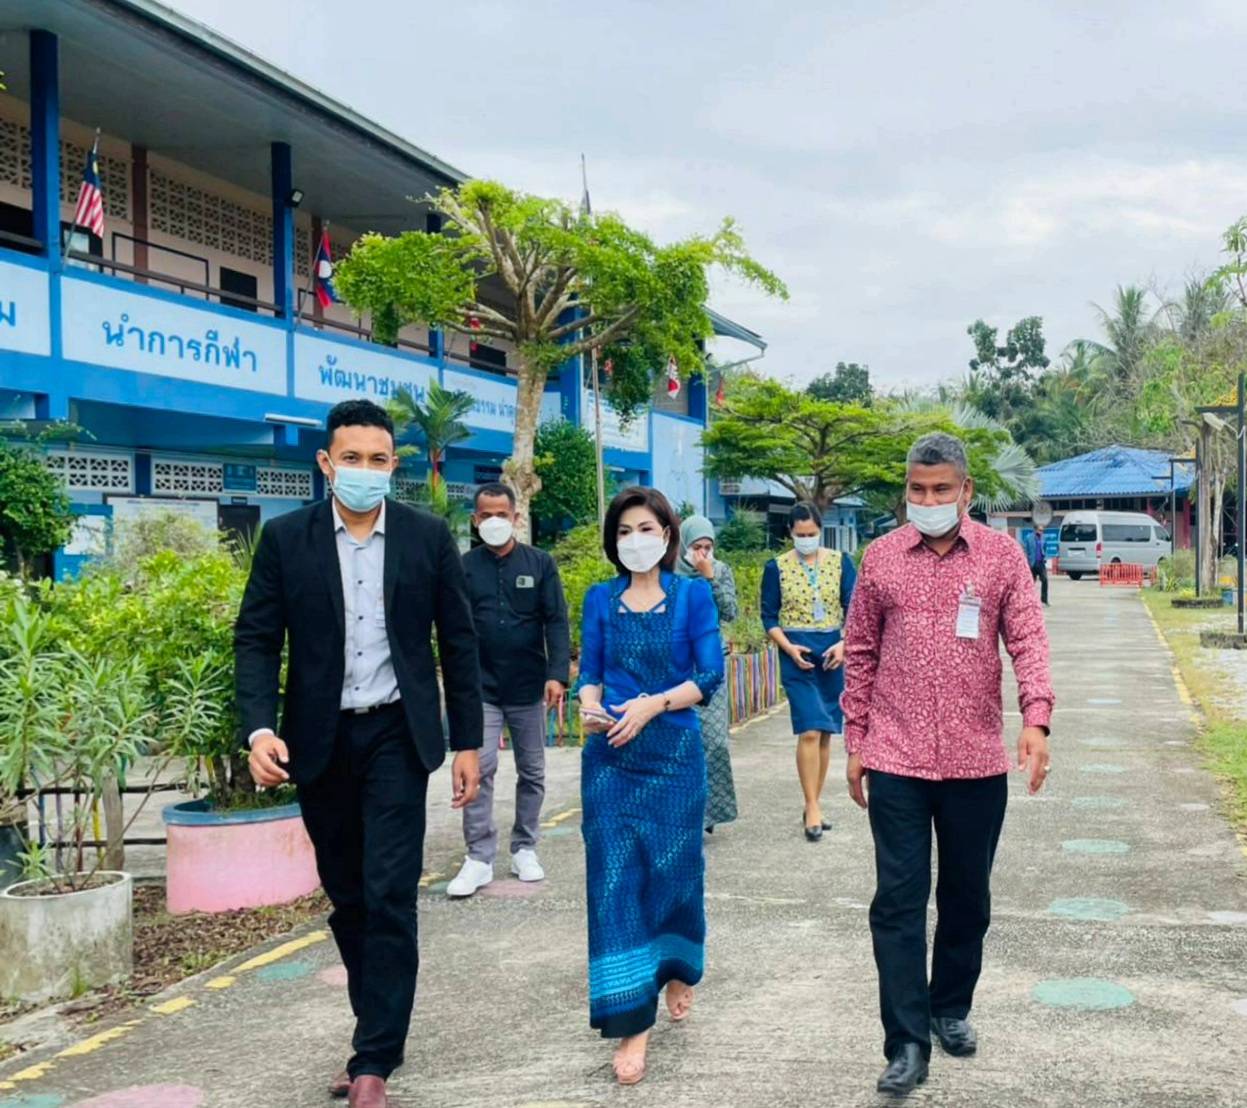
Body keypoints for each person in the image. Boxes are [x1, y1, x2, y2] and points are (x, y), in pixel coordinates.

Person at [235, 399, 483, 1108]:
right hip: (319, 740)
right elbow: (257, 639)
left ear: (393, 465)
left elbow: (457, 642)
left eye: (378, 459)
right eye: (352, 458)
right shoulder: (286, 540)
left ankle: (375, 1058)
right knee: (347, 896)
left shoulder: (425, 537)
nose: (364, 470)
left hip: (397, 735)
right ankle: (371, 1029)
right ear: (326, 463)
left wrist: (469, 741)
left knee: (389, 892)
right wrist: (258, 730)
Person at [842, 432, 1054, 1099]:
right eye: (917, 489)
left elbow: (1027, 639)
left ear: (965, 491)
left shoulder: (1001, 557)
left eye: (940, 490)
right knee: (897, 902)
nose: (928, 500)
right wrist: (855, 740)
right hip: (896, 756)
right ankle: (906, 1042)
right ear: (905, 489)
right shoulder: (880, 559)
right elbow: (859, 651)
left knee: (966, 899)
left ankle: (948, 1007)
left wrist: (1036, 719)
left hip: (975, 759)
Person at [576, 486, 724, 1086]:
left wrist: (653, 704)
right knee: (613, 882)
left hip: (674, 759)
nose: (634, 540)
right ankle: (632, 1022)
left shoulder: (692, 596)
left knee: (673, 873)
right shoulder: (599, 598)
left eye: (645, 529)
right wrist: (588, 705)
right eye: (624, 531)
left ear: (667, 536)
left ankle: (678, 967)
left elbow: (709, 675)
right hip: (610, 758)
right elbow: (589, 673)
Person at [448, 482, 570, 897]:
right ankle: (479, 857)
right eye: (486, 515)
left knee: (532, 771)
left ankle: (525, 847)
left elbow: (556, 620)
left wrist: (557, 674)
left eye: (502, 514)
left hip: (528, 686)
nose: (495, 521)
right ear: (475, 520)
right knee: (478, 769)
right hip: (480, 688)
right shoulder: (463, 567)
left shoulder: (540, 564)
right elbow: (452, 628)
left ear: (516, 517)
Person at [761, 502, 857, 842]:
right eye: (800, 534)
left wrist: (844, 644)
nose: (806, 539)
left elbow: (855, 608)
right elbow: (768, 616)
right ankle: (812, 805)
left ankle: (814, 802)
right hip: (796, 651)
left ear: (820, 530)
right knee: (810, 730)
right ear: (790, 532)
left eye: (812, 533)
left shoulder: (841, 562)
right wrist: (788, 648)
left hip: (831, 650)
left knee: (826, 730)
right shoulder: (776, 567)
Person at [676, 514, 740, 833]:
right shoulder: (668, 572)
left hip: (710, 666)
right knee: (681, 742)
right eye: (696, 546)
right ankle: (684, 815)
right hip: (676, 666)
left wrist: (710, 578)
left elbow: (730, 612)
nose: (702, 553)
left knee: (714, 742)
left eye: (707, 547)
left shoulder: (721, 570)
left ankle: (709, 813)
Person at [1021, 526, 1050, 606]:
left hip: (1041, 563)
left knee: (1045, 580)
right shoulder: (1028, 538)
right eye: (1040, 530)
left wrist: (1045, 557)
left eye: (1042, 530)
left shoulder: (1043, 538)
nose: (1041, 532)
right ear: (1035, 530)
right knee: (1031, 583)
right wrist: (1027, 560)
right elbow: (1024, 549)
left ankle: (1044, 600)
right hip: (1032, 563)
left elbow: (1045, 548)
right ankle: (1029, 600)